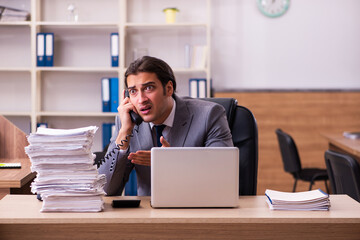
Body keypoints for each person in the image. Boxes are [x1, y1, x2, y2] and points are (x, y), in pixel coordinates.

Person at [98, 56, 233, 196]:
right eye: (133, 91)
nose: (141, 100)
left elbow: (222, 176)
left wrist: (173, 162)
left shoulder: (210, 115)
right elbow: (105, 190)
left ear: (169, 88)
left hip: (198, 210)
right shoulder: (127, 122)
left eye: (148, 88)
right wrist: (124, 132)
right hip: (147, 214)